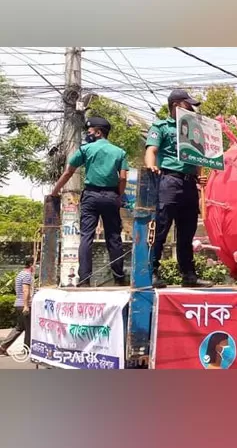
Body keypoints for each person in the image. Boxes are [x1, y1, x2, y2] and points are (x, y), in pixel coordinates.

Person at [51, 117, 128, 287]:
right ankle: (119, 278)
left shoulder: (85, 149)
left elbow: (68, 173)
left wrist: (55, 192)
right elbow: (122, 178)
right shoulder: (119, 152)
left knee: (86, 237)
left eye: (90, 131)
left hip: (91, 197)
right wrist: (119, 196)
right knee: (114, 238)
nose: (88, 134)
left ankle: (85, 280)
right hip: (111, 196)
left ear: (99, 132)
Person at [146, 89, 211, 288]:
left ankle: (188, 274)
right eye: (187, 104)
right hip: (169, 180)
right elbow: (151, 149)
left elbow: (197, 155)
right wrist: (150, 165)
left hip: (189, 183)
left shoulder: (193, 128)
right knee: (162, 227)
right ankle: (151, 272)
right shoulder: (161, 127)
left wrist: (199, 175)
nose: (191, 108)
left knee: (187, 230)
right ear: (175, 105)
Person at [0, 258, 34, 356]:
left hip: (18, 304)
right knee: (29, 329)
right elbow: (25, 290)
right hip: (24, 305)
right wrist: (26, 306)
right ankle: (27, 350)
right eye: (34, 264)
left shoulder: (20, 274)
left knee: (19, 327)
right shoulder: (27, 275)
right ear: (31, 264)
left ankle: (3, 347)